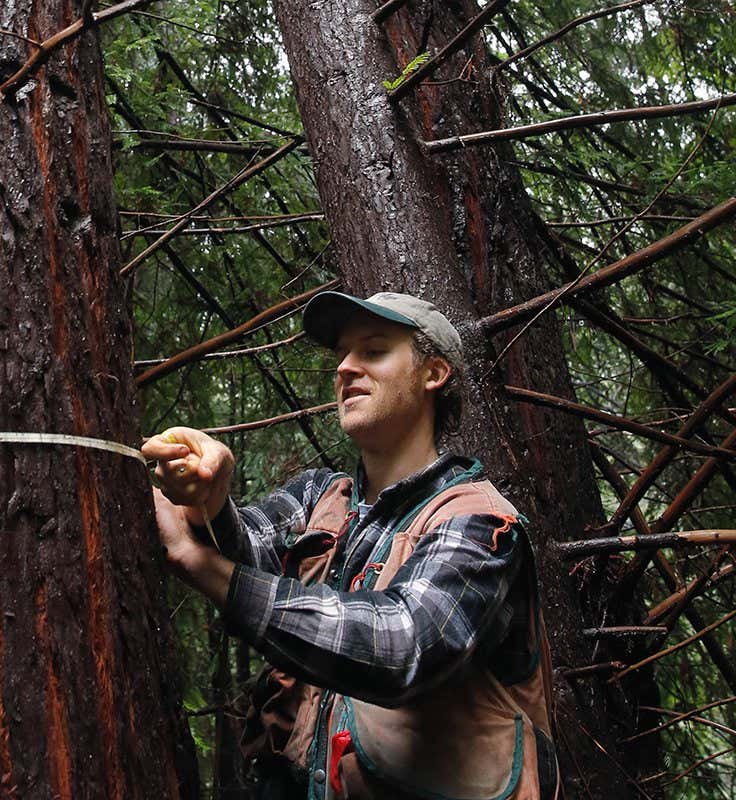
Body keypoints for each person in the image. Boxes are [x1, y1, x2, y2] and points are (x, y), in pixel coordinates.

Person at [143, 291, 559, 800]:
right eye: (342, 355)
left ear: (435, 374)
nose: (344, 368)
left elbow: (405, 644)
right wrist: (207, 497)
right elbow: (244, 548)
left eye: (374, 350)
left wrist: (206, 570)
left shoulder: (479, 520)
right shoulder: (320, 496)